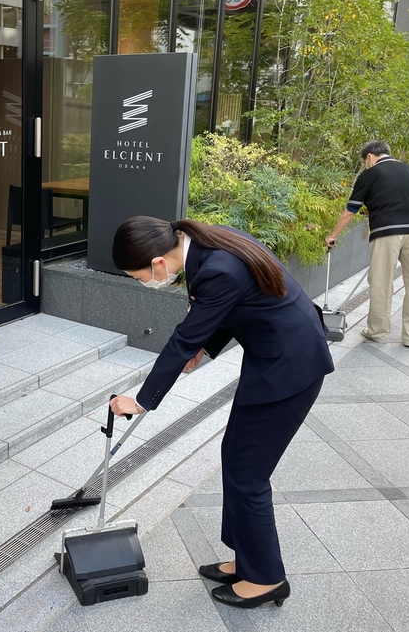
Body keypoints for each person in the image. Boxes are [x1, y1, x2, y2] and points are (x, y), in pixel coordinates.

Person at [108, 216, 334, 609]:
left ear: (158, 262)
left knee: (248, 474)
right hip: (278, 358)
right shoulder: (210, 246)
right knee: (237, 459)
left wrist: (141, 400)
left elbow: (183, 337)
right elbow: (234, 306)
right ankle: (249, 560)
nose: (144, 282)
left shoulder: (217, 269)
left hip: (289, 371)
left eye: (138, 276)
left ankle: (267, 579)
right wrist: (206, 345)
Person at [326, 140, 409, 347]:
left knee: (381, 283)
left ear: (370, 157)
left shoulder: (370, 174)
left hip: (386, 232)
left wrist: (333, 235)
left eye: (365, 161)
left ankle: (378, 332)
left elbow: (350, 210)